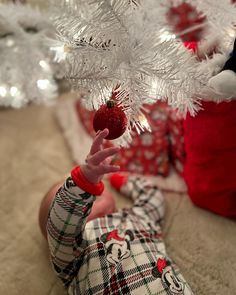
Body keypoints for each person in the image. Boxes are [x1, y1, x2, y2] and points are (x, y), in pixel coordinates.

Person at [39, 128, 193, 294]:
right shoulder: (73, 254)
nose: (88, 197)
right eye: (83, 199)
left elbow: (153, 199)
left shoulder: (136, 216)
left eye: (91, 194)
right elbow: (62, 226)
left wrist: (125, 182)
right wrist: (82, 182)